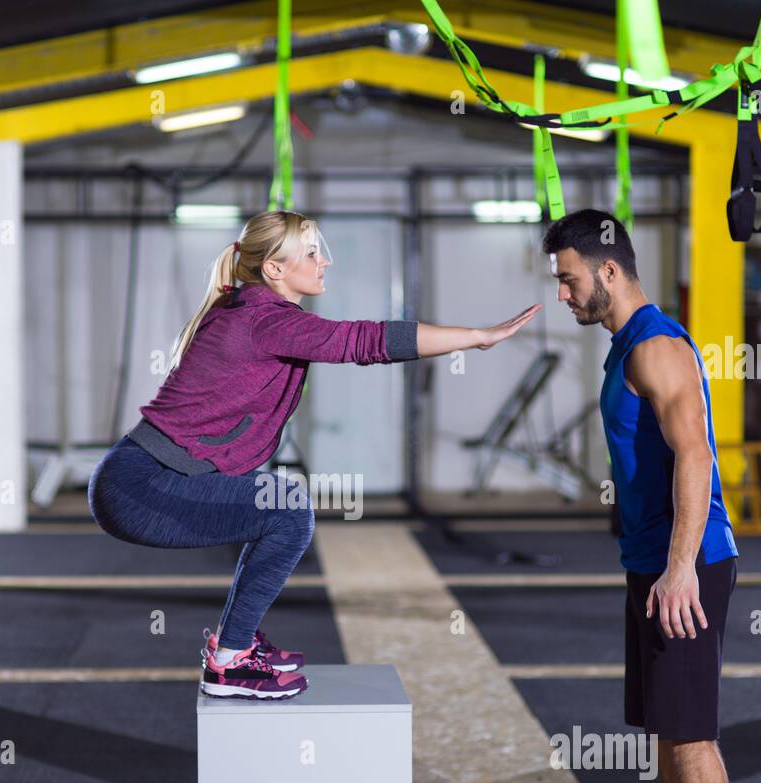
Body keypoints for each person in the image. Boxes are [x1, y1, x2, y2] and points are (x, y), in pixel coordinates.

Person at [90, 209, 539, 699]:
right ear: (275, 270)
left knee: (276, 507)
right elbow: (363, 341)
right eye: (310, 253)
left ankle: (235, 646)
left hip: (143, 478)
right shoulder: (262, 319)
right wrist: (476, 337)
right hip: (143, 487)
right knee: (287, 509)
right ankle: (230, 659)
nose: (325, 261)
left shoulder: (255, 310)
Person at [542, 209, 749, 783]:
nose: (563, 295)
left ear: (608, 271)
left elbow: (694, 454)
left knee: (692, 730)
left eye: (569, 281)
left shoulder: (656, 346)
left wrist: (681, 567)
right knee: (667, 721)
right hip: (654, 565)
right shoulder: (623, 343)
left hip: (686, 566)